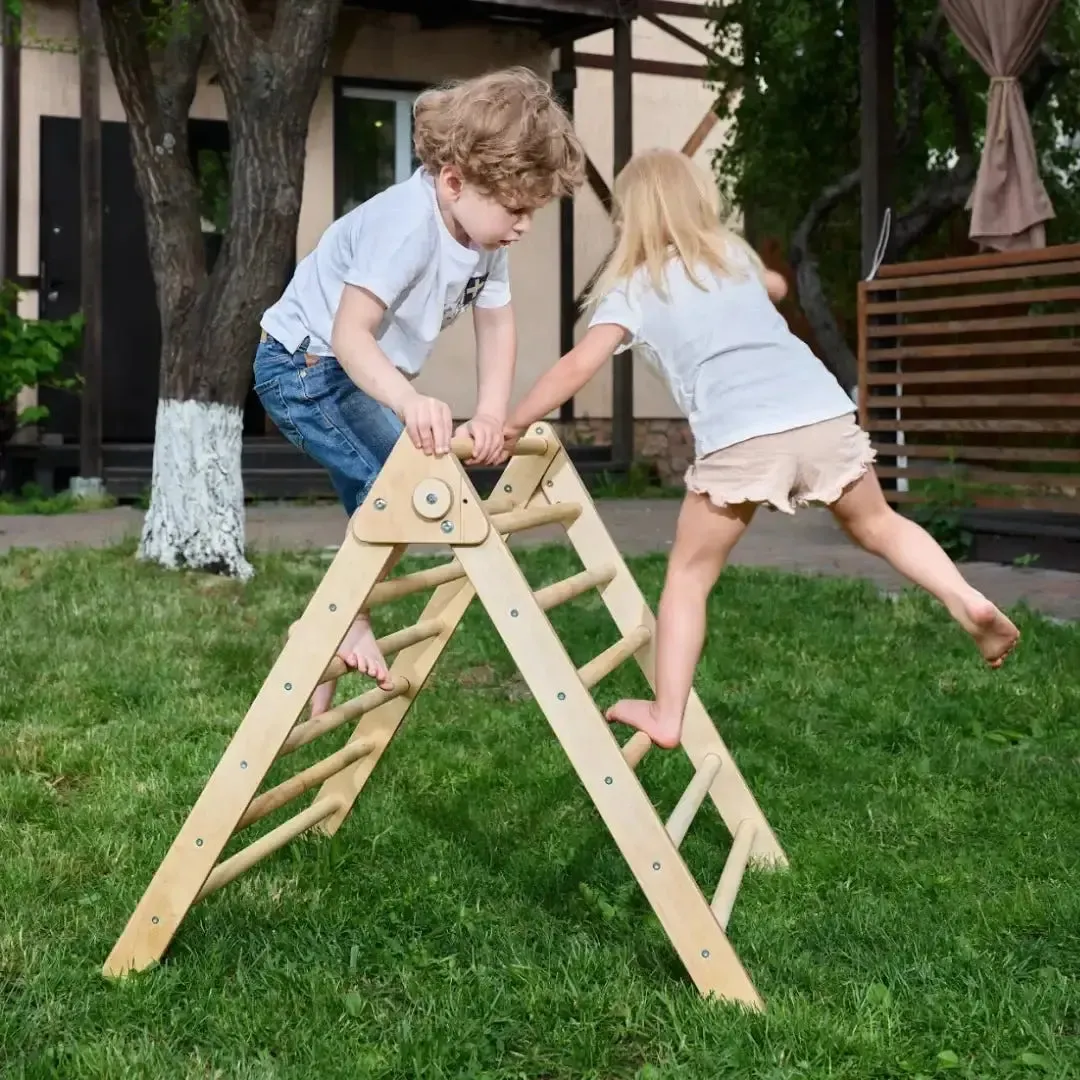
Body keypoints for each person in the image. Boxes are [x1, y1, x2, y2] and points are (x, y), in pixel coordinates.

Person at [502, 147, 1019, 751]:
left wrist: (513, 421)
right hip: (821, 411)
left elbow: (576, 368)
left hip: (742, 435)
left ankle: (667, 714)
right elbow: (776, 284)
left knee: (689, 576)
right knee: (881, 524)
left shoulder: (632, 288)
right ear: (700, 203)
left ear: (631, 220)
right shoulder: (732, 256)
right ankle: (968, 600)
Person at [254, 67, 584, 716]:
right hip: (305, 371)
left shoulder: (483, 233)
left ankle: (322, 634)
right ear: (455, 182)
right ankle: (341, 623)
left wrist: (491, 410)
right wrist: (407, 402)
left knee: (395, 504)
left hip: (351, 378)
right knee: (402, 492)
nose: (523, 226)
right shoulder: (404, 226)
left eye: (532, 211)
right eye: (516, 209)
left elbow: (499, 322)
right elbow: (351, 334)